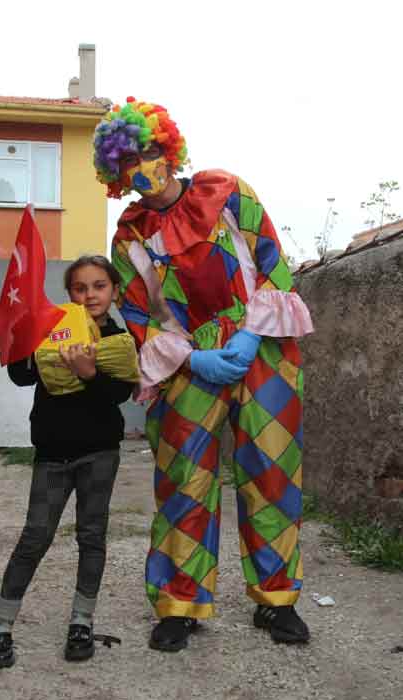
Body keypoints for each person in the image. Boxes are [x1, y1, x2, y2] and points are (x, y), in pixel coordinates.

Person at [93, 98, 314, 651]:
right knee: (182, 482)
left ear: (166, 148)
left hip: (260, 347)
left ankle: (277, 600)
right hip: (186, 362)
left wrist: (250, 331)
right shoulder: (129, 236)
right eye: (126, 165)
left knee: (272, 473)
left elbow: (272, 263)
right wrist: (193, 358)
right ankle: (179, 603)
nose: (141, 169)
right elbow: (139, 315)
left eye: (147, 153)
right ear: (116, 175)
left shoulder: (227, 191)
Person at [0, 255, 135, 668]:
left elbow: (120, 395)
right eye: (80, 288)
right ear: (69, 293)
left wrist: (89, 371)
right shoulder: (54, 326)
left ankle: (82, 621)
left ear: (114, 291)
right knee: (35, 537)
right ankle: (1, 625)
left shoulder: (118, 336)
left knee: (92, 536)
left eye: (99, 286)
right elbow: (21, 376)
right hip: (52, 454)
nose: (90, 295)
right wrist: (22, 336)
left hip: (99, 453)